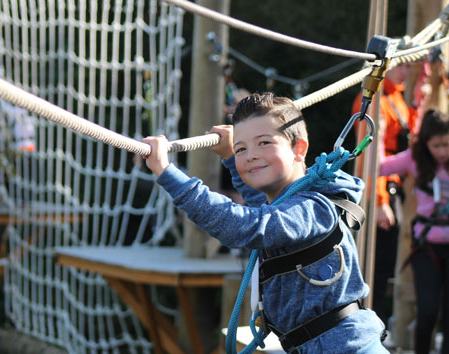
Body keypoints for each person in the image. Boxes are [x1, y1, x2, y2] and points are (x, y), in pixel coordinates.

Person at [143, 92, 387, 353]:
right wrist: (229, 157)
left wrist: (168, 174)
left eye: (264, 143)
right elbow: (265, 206)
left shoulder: (313, 208)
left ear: (299, 149)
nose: (250, 156)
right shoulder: (288, 205)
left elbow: (246, 225)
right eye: (242, 149)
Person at [351, 62, 419, 324]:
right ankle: (368, 322)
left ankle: (376, 320)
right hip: (380, 189)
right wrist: (378, 201)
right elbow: (369, 154)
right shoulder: (373, 100)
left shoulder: (396, 97)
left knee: (386, 264)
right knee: (375, 266)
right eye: (402, 66)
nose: (406, 72)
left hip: (395, 187)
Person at [378, 110, 449, 354]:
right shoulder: (416, 159)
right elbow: (380, 167)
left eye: (447, 145)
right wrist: (378, 136)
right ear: (426, 142)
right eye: (436, 145)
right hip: (426, 246)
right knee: (427, 311)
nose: (442, 151)